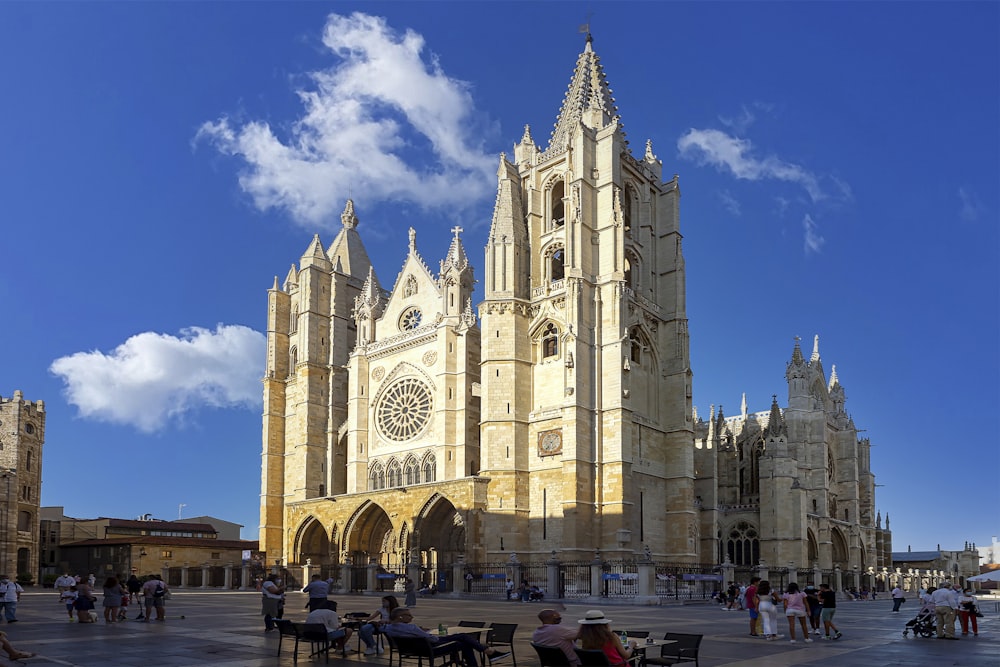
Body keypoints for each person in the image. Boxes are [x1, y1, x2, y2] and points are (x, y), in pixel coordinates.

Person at [383, 607, 510, 667]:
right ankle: (487, 652)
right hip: (430, 649)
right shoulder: (412, 627)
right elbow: (433, 639)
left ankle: (487, 652)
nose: (412, 618)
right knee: (463, 638)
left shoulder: (388, 629)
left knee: (461, 638)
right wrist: (429, 634)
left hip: (412, 650)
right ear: (400, 617)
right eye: (408, 616)